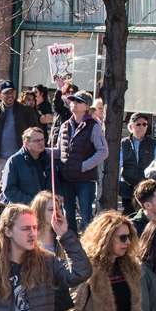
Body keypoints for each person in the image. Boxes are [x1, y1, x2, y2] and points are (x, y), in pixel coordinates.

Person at [54, 91, 107, 226]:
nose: (74, 103)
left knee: (86, 217)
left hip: (85, 181)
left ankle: (86, 245)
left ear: (86, 107)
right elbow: (59, 150)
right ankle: (71, 246)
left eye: (78, 101)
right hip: (66, 179)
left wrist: (84, 166)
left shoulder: (93, 126)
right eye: (72, 101)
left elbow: (103, 151)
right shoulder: (65, 125)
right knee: (68, 217)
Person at [0, 124, 58, 207]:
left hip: (46, 208)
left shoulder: (48, 159)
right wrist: (33, 202)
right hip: (24, 210)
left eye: (42, 140)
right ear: (26, 143)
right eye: (37, 141)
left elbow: (56, 183)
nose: (41, 143)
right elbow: (9, 190)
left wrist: (58, 195)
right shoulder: (14, 161)